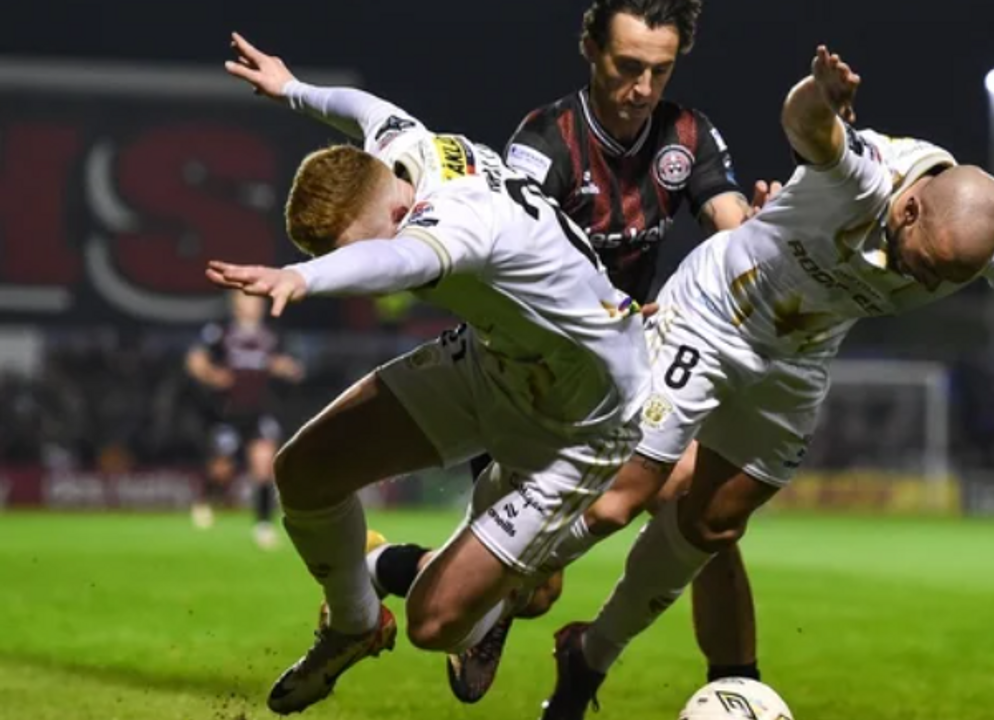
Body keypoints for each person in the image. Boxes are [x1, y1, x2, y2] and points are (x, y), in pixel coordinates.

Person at [535, 45, 994, 719]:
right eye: (923, 263)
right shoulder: (868, 171)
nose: (922, 281)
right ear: (907, 210)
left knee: (713, 524)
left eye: (942, 279)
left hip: (799, 359)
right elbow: (807, 124)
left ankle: (589, 656)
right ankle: (471, 583)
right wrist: (819, 95)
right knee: (620, 499)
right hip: (718, 312)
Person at [215, 33, 650, 715]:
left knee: (435, 624)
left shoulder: (453, 225)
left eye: (358, 244)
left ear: (395, 213)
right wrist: (292, 89)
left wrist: (302, 275)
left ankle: (493, 584)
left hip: (580, 422)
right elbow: (362, 107)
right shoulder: (403, 149)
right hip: (495, 359)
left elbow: (391, 264)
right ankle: (355, 626)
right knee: (302, 472)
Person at [366, 0, 776, 702]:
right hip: (528, 377)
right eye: (627, 67)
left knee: (707, 512)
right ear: (589, 48)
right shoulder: (544, 141)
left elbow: (727, 223)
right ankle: (389, 567)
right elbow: (522, 253)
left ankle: (736, 689)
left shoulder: (687, 135)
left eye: (660, 70)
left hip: (628, 373)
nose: (642, 88)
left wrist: (761, 236)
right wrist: (603, 310)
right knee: (535, 588)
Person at [185, 291, 303, 548]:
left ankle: (263, 525)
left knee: (263, 465)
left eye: (256, 301)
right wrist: (211, 375)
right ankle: (207, 499)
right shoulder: (219, 332)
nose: (253, 306)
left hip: (261, 409)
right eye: (247, 301)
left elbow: (286, 364)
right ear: (236, 305)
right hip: (228, 411)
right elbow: (195, 360)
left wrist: (288, 369)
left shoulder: (271, 335)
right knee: (222, 468)